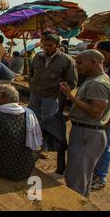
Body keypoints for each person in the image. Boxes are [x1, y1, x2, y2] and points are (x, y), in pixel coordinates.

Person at [60, 50, 110, 197]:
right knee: (83, 176)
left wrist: (70, 96)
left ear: (94, 62)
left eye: (80, 62)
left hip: (87, 134)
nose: (77, 66)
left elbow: (96, 112)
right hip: (87, 130)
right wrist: (72, 115)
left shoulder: (98, 83)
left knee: (76, 177)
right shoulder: (93, 80)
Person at [28, 32, 77, 170]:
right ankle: (36, 145)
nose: (46, 48)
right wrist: (32, 84)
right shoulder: (38, 56)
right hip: (35, 94)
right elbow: (31, 73)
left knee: (49, 123)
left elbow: (72, 82)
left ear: (57, 45)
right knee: (34, 120)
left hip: (53, 97)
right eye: (44, 45)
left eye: (50, 45)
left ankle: (45, 147)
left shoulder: (67, 60)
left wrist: (59, 92)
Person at [91, 41, 110, 191]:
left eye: (102, 54)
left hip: (107, 116)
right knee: (99, 144)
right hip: (102, 113)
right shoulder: (106, 68)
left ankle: (100, 177)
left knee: (105, 145)